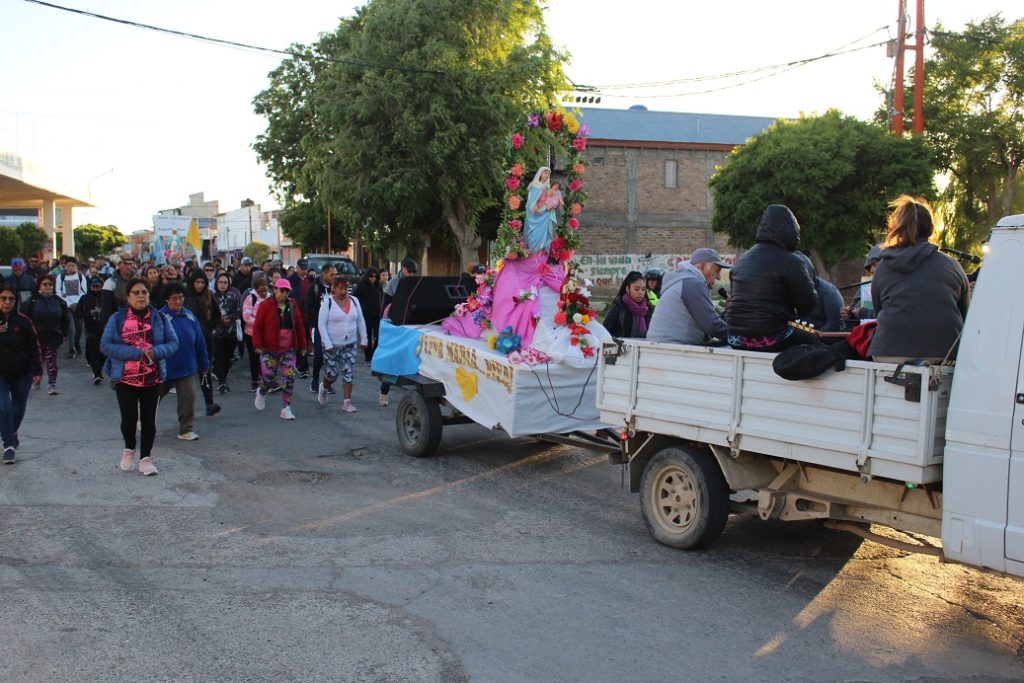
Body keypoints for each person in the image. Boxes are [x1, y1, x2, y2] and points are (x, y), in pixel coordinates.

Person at [868, 196, 970, 362]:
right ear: (930, 228)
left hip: (888, 351)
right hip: (943, 352)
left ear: (896, 227)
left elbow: (878, 310)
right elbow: (964, 313)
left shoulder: (883, 267)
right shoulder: (951, 265)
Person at [100, 277, 179, 476]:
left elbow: (173, 343)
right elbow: (106, 345)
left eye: (144, 292)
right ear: (128, 297)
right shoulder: (117, 319)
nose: (141, 296)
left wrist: (156, 352)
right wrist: (135, 354)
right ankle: (129, 449)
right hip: (125, 377)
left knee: (148, 420)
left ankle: (145, 458)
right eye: (136, 293)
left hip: (152, 378)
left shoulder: (159, 318)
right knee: (128, 419)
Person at [725, 204, 819, 352]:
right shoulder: (792, 261)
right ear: (792, 232)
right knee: (814, 338)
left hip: (735, 338)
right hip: (772, 338)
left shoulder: (743, 260)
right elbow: (808, 304)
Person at [159, 282, 213, 441]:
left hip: (187, 367)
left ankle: (185, 429)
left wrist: (204, 363)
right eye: (174, 298)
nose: (178, 301)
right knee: (152, 399)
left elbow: (200, 342)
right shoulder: (160, 318)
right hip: (164, 369)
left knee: (189, 398)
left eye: (181, 297)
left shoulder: (189, 316)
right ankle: (142, 419)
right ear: (167, 300)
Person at [647, 249, 730, 345]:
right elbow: (712, 326)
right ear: (702, 266)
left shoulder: (683, 280)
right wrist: (741, 336)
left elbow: (708, 322)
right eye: (717, 271)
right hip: (676, 348)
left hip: (664, 346)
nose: (719, 277)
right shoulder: (693, 284)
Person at [252, 278, 307, 420]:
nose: (284, 294)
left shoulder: (293, 305)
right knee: (269, 377)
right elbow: (257, 326)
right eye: (282, 290)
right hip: (270, 348)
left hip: (288, 349)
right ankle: (262, 392)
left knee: (289, 378)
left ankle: (286, 408)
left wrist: (303, 345)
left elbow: (299, 326)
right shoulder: (265, 305)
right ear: (275, 289)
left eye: (287, 291)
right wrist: (257, 344)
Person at [0, 284, 42, 464]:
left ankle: (11, 431)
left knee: (18, 409)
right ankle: (8, 446)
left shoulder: (24, 321)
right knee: (4, 408)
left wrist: (38, 370)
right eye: (3, 299)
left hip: (22, 373)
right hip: (0, 373)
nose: (7, 302)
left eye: (11, 299)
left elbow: (34, 346)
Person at [317, 276, 367, 412]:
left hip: (350, 344)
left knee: (348, 372)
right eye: (340, 289)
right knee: (332, 374)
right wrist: (327, 343)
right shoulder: (327, 303)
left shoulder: (354, 301)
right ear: (334, 289)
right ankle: (324, 387)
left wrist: (364, 339)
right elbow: (321, 325)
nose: (343, 291)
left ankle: (347, 402)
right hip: (332, 345)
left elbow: (360, 321)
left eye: (346, 288)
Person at [22, 274, 69, 395]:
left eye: (50, 284)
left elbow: (65, 320)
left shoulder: (59, 302)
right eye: (45, 284)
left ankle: (52, 384)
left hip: (53, 338)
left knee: (51, 362)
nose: (48, 287)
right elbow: (24, 320)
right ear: (39, 285)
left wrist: (63, 334)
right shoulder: (31, 302)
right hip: (35, 339)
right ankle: (36, 379)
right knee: (36, 361)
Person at [183, 272, 220, 415]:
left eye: (202, 282)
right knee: (183, 376)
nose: (200, 285)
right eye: (197, 282)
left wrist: (215, 330)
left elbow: (217, 316)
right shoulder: (185, 297)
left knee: (205, 372)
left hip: (205, 341)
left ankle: (209, 403)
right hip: (188, 341)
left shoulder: (209, 296)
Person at [794, 253, 843, 333]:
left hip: (822, 340)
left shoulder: (829, 293)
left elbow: (834, 325)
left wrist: (813, 337)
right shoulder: (789, 290)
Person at [305, 264, 335, 394]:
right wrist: (320, 319)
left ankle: (327, 383)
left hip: (333, 328)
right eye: (332, 275)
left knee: (331, 357)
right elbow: (308, 306)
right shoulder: (315, 287)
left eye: (335, 274)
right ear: (324, 274)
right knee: (319, 355)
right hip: (318, 327)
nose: (334, 277)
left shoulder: (337, 288)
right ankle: (315, 380)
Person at [211, 272, 241, 393]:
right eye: (220, 282)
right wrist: (219, 319)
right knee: (219, 357)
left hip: (231, 333)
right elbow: (208, 313)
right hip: (216, 333)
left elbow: (239, 311)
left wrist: (229, 318)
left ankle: (224, 377)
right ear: (216, 283)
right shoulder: (211, 297)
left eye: (225, 282)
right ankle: (222, 382)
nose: (223, 285)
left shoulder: (233, 296)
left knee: (228, 358)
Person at [841, 244, 883, 327]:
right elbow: (853, 324)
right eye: (870, 266)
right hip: (862, 335)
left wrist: (863, 313)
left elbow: (889, 316)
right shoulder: (866, 286)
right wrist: (850, 314)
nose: (871, 270)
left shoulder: (897, 287)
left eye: (875, 265)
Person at [242, 273, 271, 392]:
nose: (263, 293)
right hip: (251, 334)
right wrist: (260, 323)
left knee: (267, 358)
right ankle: (255, 381)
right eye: (261, 291)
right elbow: (246, 316)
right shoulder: (250, 298)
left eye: (265, 290)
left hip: (267, 334)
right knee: (254, 358)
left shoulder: (270, 298)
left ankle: (267, 380)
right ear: (256, 289)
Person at [602, 272, 652, 338]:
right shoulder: (619, 306)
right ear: (627, 289)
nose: (641, 293)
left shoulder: (648, 308)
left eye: (643, 289)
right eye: (636, 289)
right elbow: (605, 330)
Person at [76, 276, 107, 384]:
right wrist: (89, 313)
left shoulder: (106, 297)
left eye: (98, 286)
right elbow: (78, 313)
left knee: (104, 352)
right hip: (90, 328)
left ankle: (100, 369)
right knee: (94, 351)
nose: (96, 289)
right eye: (94, 286)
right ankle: (97, 374)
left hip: (104, 328)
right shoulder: (85, 298)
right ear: (90, 286)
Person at [288, 258, 314, 378]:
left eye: (305, 269)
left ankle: (301, 364)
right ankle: (302, 366)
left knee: (307, 338)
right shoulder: (291, 280)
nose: (304, 271)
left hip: (309, 313)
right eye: (301, 268)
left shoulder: (312, 280)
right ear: (297, 268)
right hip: (296, 313)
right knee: (299, 338)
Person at [56, 258, 87, 359]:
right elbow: (58, 293)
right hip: (67, 307)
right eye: (68, 265)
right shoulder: (60, 277)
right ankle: (71, 349)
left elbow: (84, 292)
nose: (70, 268)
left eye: (73, 265)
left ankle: (76, 343)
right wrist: (68, 304)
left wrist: (77, 303)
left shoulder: (80, 277)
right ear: (65, 266)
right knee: (71, 327)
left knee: (79, 328)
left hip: (78, 306)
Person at [353, 267, 384, 364]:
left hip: (377, 314)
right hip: (366, 314)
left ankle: (374, 353)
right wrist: (362, 307)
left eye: (375, 277)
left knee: (379, 336)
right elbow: (355, 297)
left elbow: (381, 297)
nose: (373, 279)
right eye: (371, 276)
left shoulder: (378, 286)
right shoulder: (361, 286)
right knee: (367, 337)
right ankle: (368, 357)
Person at [524, 167, 557, 254]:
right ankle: (533, 259)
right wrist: (545, 207)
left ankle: (541, 259)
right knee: (533, 238)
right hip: (534, 218)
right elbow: (531, 206)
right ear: (540, 173)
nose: (546, 175)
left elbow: (550, 201)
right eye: (545, 173)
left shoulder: (546, 188)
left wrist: (552, 206)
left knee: (544, 238)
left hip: (544, 218)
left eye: (548, 174)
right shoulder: (534, 186)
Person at [100, 252, 138, 325]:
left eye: (130, 264)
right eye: (125, 264)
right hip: (117, 322)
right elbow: (106, 310)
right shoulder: (110, 283)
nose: (129, 267)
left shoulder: (138, 281)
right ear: (119, 264)